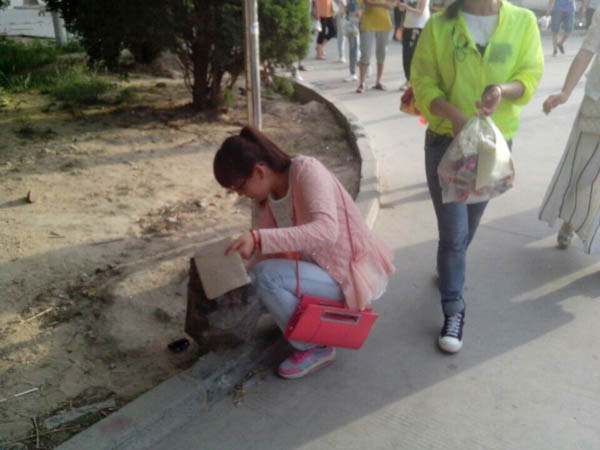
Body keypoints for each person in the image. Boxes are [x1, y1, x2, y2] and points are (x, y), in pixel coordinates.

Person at [411, 0, 543, 353]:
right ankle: (454, 309)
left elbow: (529, 76)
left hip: (492, 144)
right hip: (446, 141)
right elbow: (422, 82)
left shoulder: (523, 21)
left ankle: (448, 270)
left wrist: (501, 90)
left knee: (468, 227)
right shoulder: (439, 26)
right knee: (454, 235)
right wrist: (453, 115)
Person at [213, 127, 395, 379]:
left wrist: (258, 239)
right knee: (255, 282)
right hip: (316, 271)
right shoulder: (266, 197)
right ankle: (302, 323)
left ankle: (315, 346)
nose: (241, 195)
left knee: (266, 277)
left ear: (259, 171)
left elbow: (326, 231)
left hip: (346, 274)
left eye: (240, 187)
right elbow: (266, 250)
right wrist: (238, 270)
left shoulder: (307, 171)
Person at [539, 10, 600, 253]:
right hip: (597, 107)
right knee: (584, 170)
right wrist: (565, 92)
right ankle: (573, 218)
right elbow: (587, 50)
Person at [356, 0, 394, 93]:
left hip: (384, 24)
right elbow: (366, 2)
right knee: (365, 54)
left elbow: (392, 5)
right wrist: (383, 4)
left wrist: (389, 4)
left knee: (382, 54)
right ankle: (362, 83)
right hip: (367, 23)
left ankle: (378, 82)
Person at [397, 0, 430, 91]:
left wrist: (407, 7)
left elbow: (420, 12)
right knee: (406, 54)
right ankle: (409, 79)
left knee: (411, 54)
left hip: (418, 26)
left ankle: (412, 80)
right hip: (408, 26)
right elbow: (401, 9)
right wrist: (400, 3)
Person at [344, 0, 362, 81]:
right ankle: (353, 73)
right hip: (352, 22)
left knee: (362, 48)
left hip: (364, 22)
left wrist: (362, 11)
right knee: (353, 48)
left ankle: (366, 67)